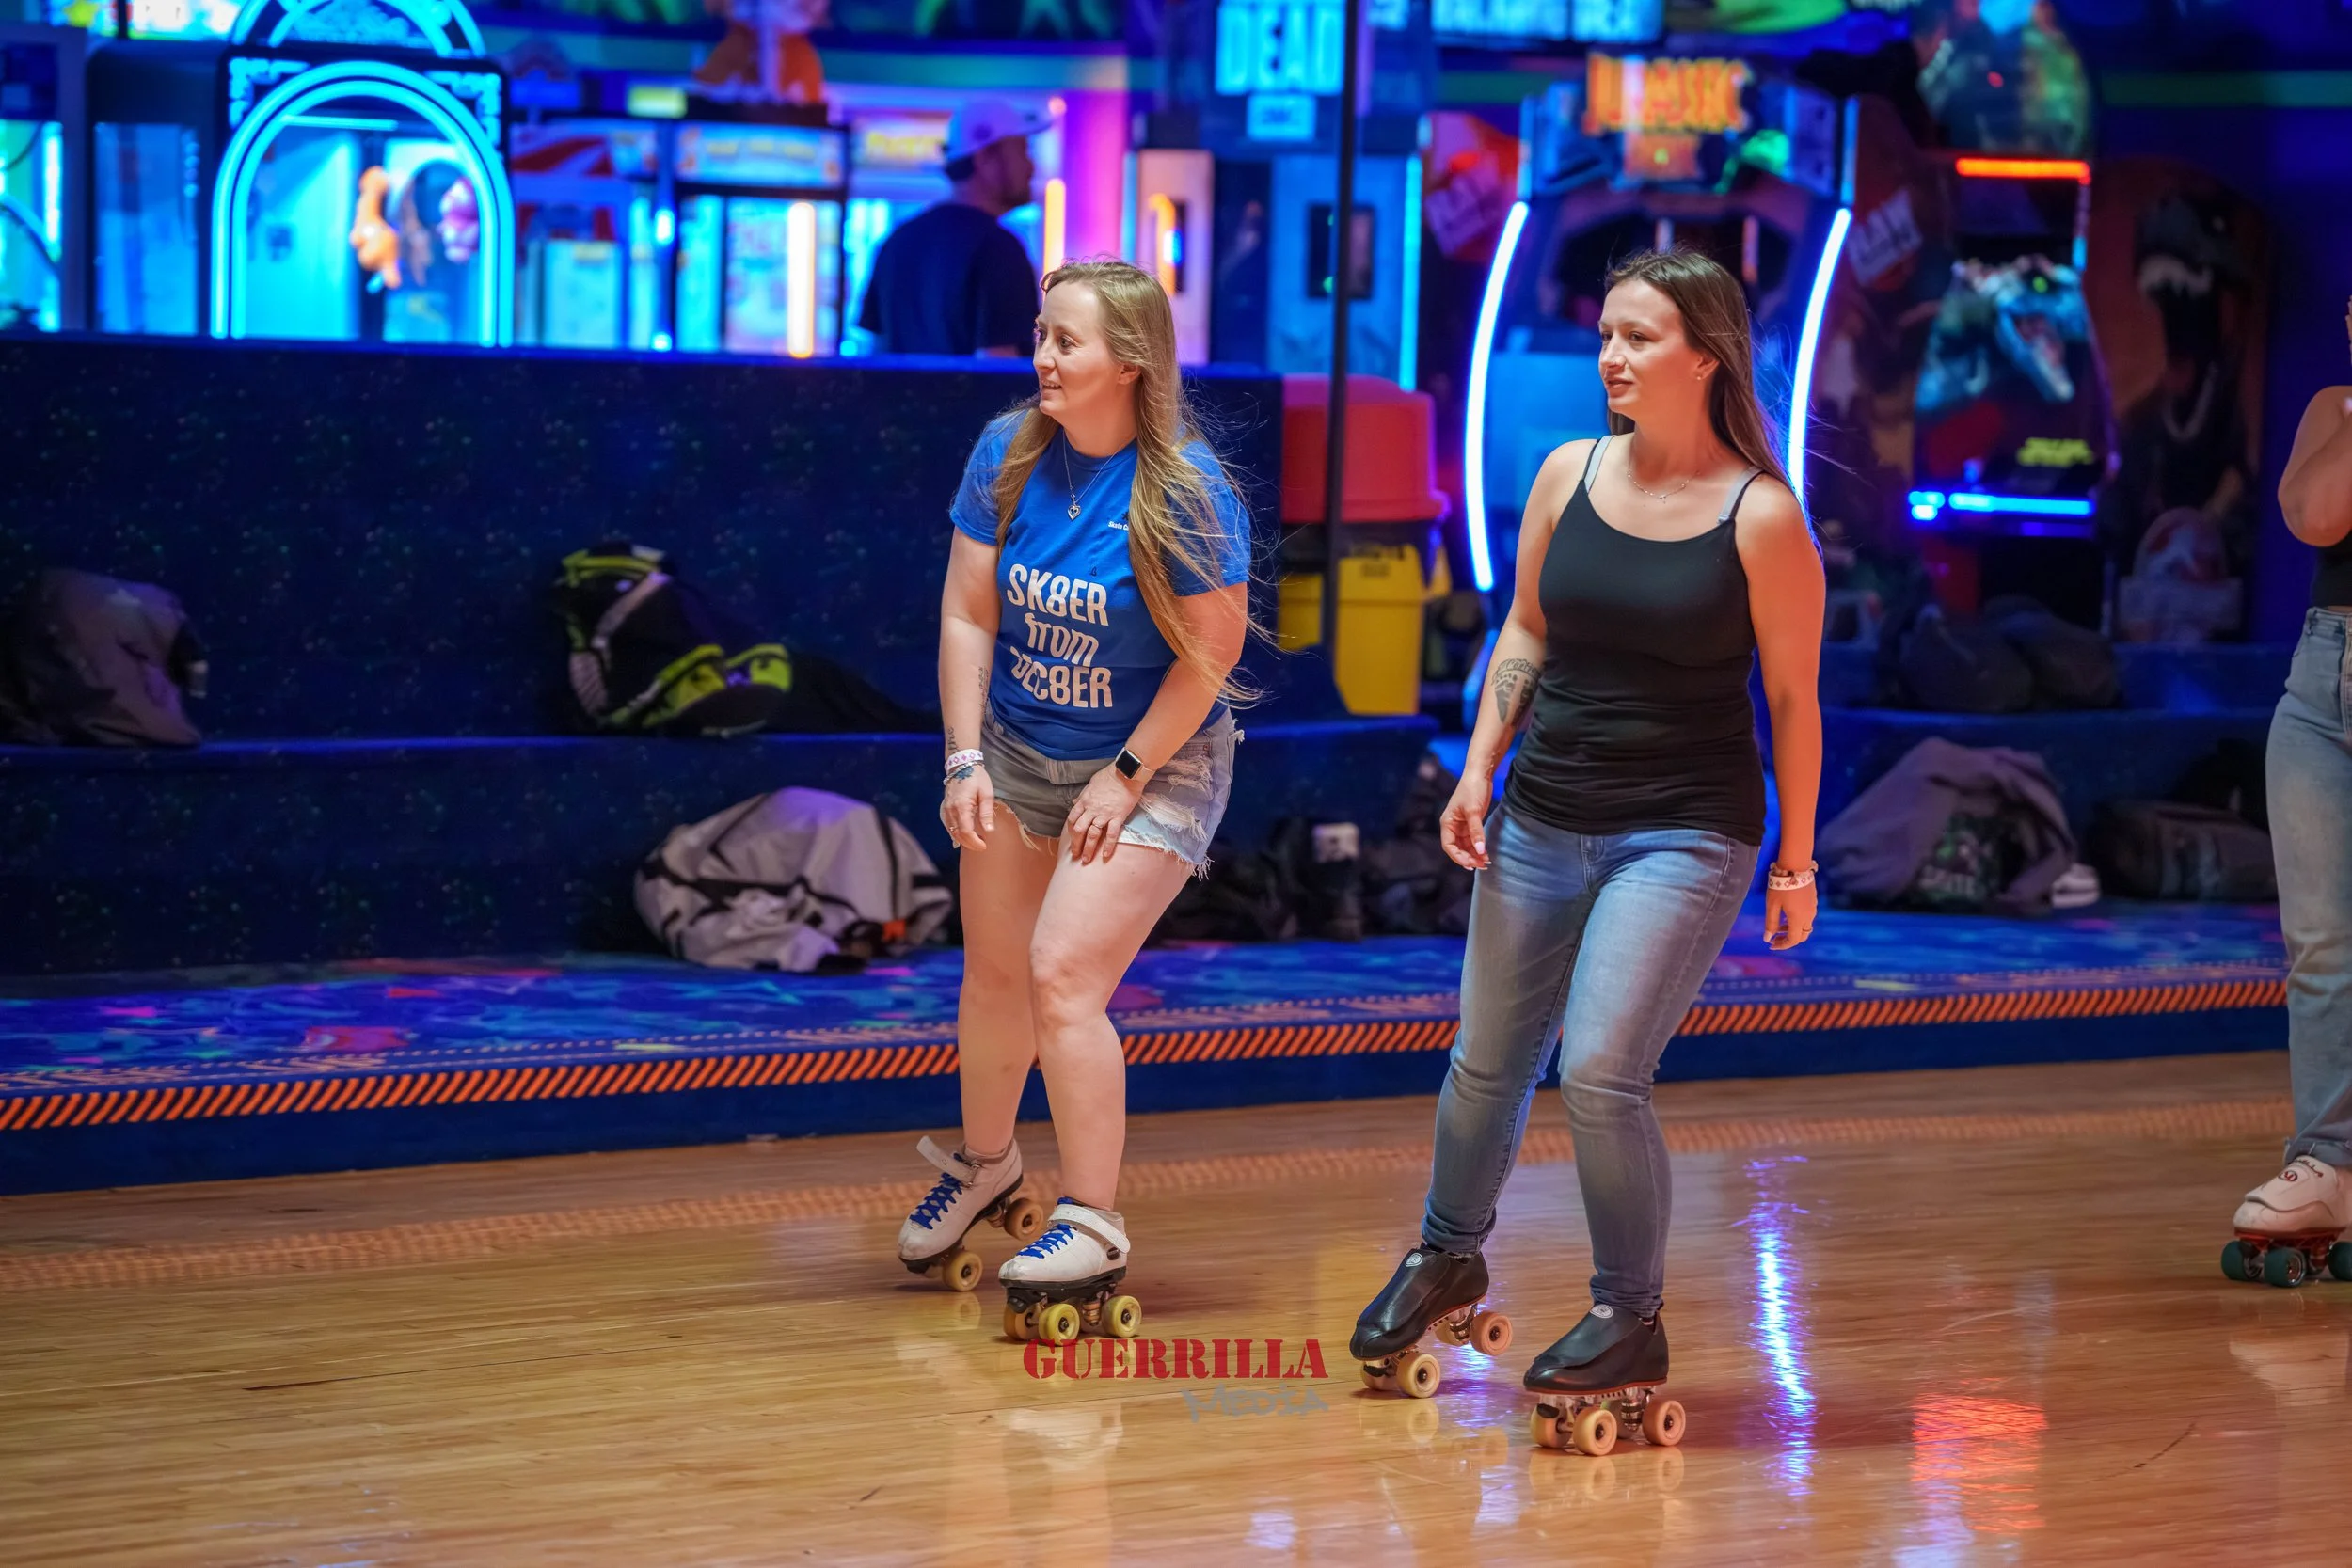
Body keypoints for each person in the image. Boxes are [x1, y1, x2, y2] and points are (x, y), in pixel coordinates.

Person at [1350, 249, 1826, 1408]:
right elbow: (1521, 632)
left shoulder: (1760, 515)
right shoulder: (1569, 471)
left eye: (1638, 335)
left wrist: (1797, 860)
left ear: (1704, 355)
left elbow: (1795, 702)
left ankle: (1630, 1312)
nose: (1610, 355)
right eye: (1604, 332)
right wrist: (1475, 769)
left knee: (1604, 1069)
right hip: (1541, 813)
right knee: (1485, 1058)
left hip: (1685, 830)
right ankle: (1447, 1249)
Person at [893, 260, 1253, 1332]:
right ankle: (991, 1167)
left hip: (1159, 757)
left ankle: (1093, 1220)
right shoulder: (1007, 454)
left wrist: (1125, 774)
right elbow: (967, 614)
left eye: (1067, 341)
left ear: (1130, 364)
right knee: (996, 972)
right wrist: (963, 759)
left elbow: (1211, 658)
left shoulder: (1185, 489)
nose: (1043, 356)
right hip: (1015, 748)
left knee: (1061, 973)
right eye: (1040, 335)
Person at [2230, 297, 2352, 1265]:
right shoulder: (2333, 407)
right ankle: (2328, 1162)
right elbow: (2316, 515)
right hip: (2320, 682)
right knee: (2319, 947)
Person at [856, 100, 1048, 358]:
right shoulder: (998, 248)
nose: (1031, 167)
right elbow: (999, 369)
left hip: (896, 400)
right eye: (1022, 152)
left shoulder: (897, 241)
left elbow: (874, 354)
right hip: (972, 402)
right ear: (985, 158)